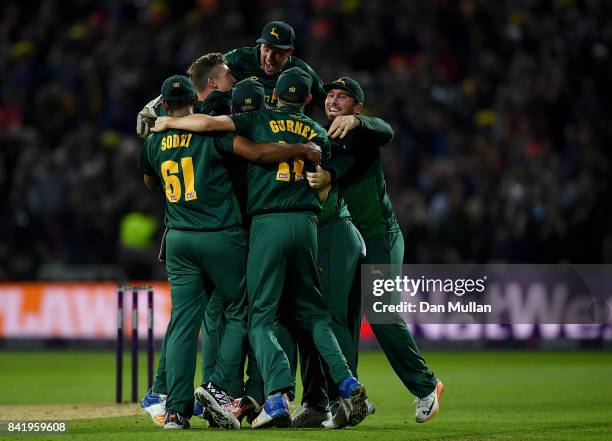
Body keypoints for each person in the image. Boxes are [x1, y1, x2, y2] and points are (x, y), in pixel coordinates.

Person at [152, 67, 370, 429]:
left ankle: (275, 396)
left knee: (259, 316)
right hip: (307, 225)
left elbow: (207, 126)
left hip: (267, 223)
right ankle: (347, 383)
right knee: (314, 313)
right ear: (310, 100)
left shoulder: (257, 119)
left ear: (274, 97)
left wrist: (166, 124)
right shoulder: (318, 133)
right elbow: (327, 175)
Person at [307, 77, 444, 425]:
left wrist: (358, 122)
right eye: (331, 95)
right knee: (340, 317)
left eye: (344, 97)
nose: (334, 101)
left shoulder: (364, 131)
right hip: (344, 238)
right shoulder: (322, 137)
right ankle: (349, 399)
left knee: (381, 313)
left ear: (357, 106)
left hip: (380, 234)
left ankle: (427, 385)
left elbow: (386, 131)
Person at [224, 20, 325, 113]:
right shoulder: (237, 59)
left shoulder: (302, 72)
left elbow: (327, 98)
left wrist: (341, 118)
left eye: (278, 53)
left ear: (290, 52)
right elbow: (210, 75)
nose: (269, 57)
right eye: (266, 49)